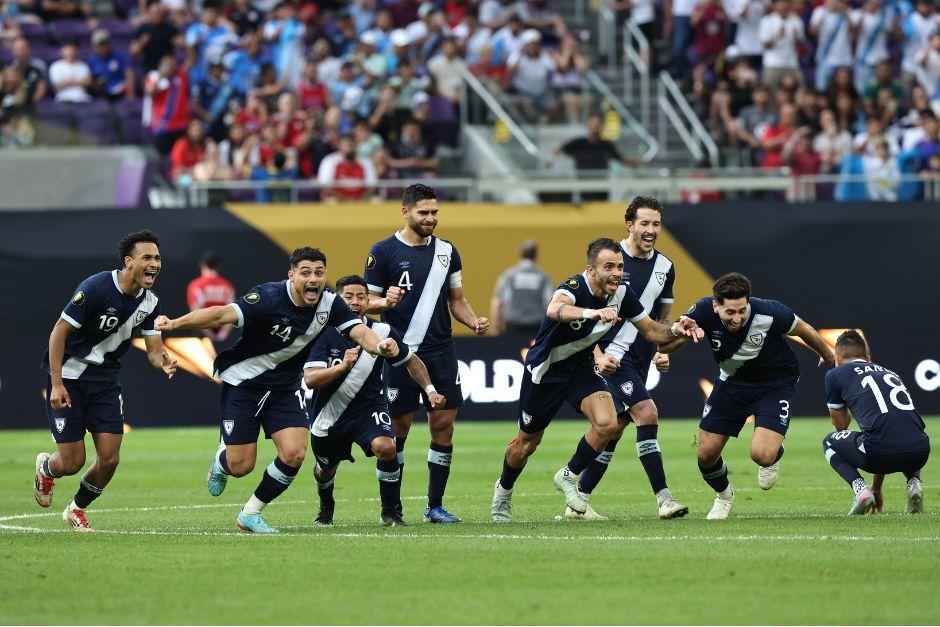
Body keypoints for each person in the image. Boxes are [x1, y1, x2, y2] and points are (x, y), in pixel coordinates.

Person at [153, 247, 401, 534]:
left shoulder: (331, 304)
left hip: (285, 387)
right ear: (291, 275)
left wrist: (380, 345)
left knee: (295, 453)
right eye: (305, 272)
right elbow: (220, 314)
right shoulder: (268, 297)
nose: (313, 279)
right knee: (241, 465)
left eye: (319, 273)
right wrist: (174, 323)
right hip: (245, 383)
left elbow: (360, 332)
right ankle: (222, 462)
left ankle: (250, 513)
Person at [490, 238, 702, 522]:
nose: (616, 273)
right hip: (547, 372)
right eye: (609, 267)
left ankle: (567, 476)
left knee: (607, 424)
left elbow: (652, 331)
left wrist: (678, 329)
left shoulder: (622, 294)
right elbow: (555, 309)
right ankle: (503, 493)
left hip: (581, 369)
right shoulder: (576, 287)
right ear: (591, 269)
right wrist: (592, 312)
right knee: (526, 444)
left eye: (620, 266)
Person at [33, 231, 178, 531]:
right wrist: (57, 383)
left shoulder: (151, 303)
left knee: (110, 459)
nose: (154, 264)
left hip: (106, 382)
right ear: (129, 262)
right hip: (70, 377)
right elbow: (59, 331)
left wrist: (163, 361)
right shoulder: (97, 287)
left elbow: (153, 351)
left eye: (158, 258)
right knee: (72, 462)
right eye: (147, 258)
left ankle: (76, 508)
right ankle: (47, 468)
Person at [658, 272, 834, 519]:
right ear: (715, 306)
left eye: (742, 310)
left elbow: (803, 329)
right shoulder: (701, 312)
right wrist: (679, 332)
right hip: (731, 383)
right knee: (705, 455)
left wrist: (827, 355)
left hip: (775, 384)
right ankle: (724, 496)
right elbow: (664, 344)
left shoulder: (770, 311)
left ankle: (773, 455)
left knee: (761, 455)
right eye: (730, 312)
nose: (737, 318)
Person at [364, 183, 490, 523]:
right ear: (406, 212)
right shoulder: (383, 251)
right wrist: (383, 302)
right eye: (424, 213)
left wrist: (473, 320)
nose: (430, 218)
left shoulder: (448, 251)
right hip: (400, 353)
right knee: (399, 430)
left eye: (434, 212)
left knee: (444, 425)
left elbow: (457, 300)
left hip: (441, 350)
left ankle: (434, 506)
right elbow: (366, 302)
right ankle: (391, 510)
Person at [576, 197, 689, 520]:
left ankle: (578, 498)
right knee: (647, 412)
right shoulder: (610, 260)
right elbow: (584, 314)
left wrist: (662, 351)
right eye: (644, 223)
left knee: (615, 430)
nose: (651, 230)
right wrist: (596, 354)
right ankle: (664, 499)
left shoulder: (666, 267)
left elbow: (662, 319)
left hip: (638, 357)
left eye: (656, 224)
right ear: (630, 225)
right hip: (611, 356)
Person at [304, 275, 446, 527]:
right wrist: (342, 367)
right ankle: (326, 505)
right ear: (337, 300)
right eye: (348, 297)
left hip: (370, 407)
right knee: (325, 469)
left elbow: (411, 361)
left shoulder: (382, 332)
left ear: (369, 301)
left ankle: (389, 512)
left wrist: (430, 389)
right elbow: (311, 380)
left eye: (361, 297)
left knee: (387, 447)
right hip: (329, 412)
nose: (355, 302)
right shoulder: (322, 333)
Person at [823, 330, 929, 515]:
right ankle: (914, 483)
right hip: (920, 450)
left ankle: (860, 489)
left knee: (829, 441)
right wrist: (877, 488)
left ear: (837, 358)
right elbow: (888, 426)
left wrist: (847, 403)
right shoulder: (891, 373)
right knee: (901, 432)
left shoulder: (835, 374)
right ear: (868, 358)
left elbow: (841, 426)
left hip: (879, 451)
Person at [490, 238, 553, 339]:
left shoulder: (508, 276)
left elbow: (497, 303)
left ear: (520, 254)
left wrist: (496, 327)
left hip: (513, 327)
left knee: (512, 354)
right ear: (536, 256)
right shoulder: (544, 277)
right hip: (537, 328)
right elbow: (551, 303)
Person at [186, 250, 236, 341]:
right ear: (218, 265)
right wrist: (223, 334)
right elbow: (232, 312)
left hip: (201, 337)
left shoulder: (196, 285)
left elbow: (195, 314)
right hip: (223, 337)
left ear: (202, 264)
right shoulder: (227, 286)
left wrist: (209, 335)